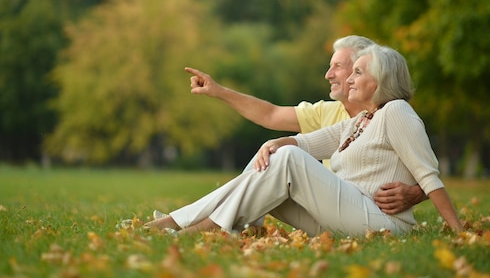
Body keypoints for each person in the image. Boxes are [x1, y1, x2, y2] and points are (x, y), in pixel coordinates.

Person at [147, 45, 464, 236]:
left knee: (286, 160)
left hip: (383, 223)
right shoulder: (357, 122)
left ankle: (198, 228)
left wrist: (458, 231)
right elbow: (307, 144)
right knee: (279, 158)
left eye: (356, 72)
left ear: (382, 80)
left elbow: (427, 174)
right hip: (346, 219)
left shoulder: (396, 112)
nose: (348, 79)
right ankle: (180, 222)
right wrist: (273, 144)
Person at [185, 35, 426, 215]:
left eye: (337, 67)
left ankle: (193, 221)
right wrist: (217, 91)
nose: (328, 74)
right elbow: (271, 115)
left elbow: (427, 171)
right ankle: (198, 220)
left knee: (283, 156)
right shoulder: (326, 112)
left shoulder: (391, 114)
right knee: (269, 155)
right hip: (330, 207)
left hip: (362, 213)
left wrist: (414, 194)